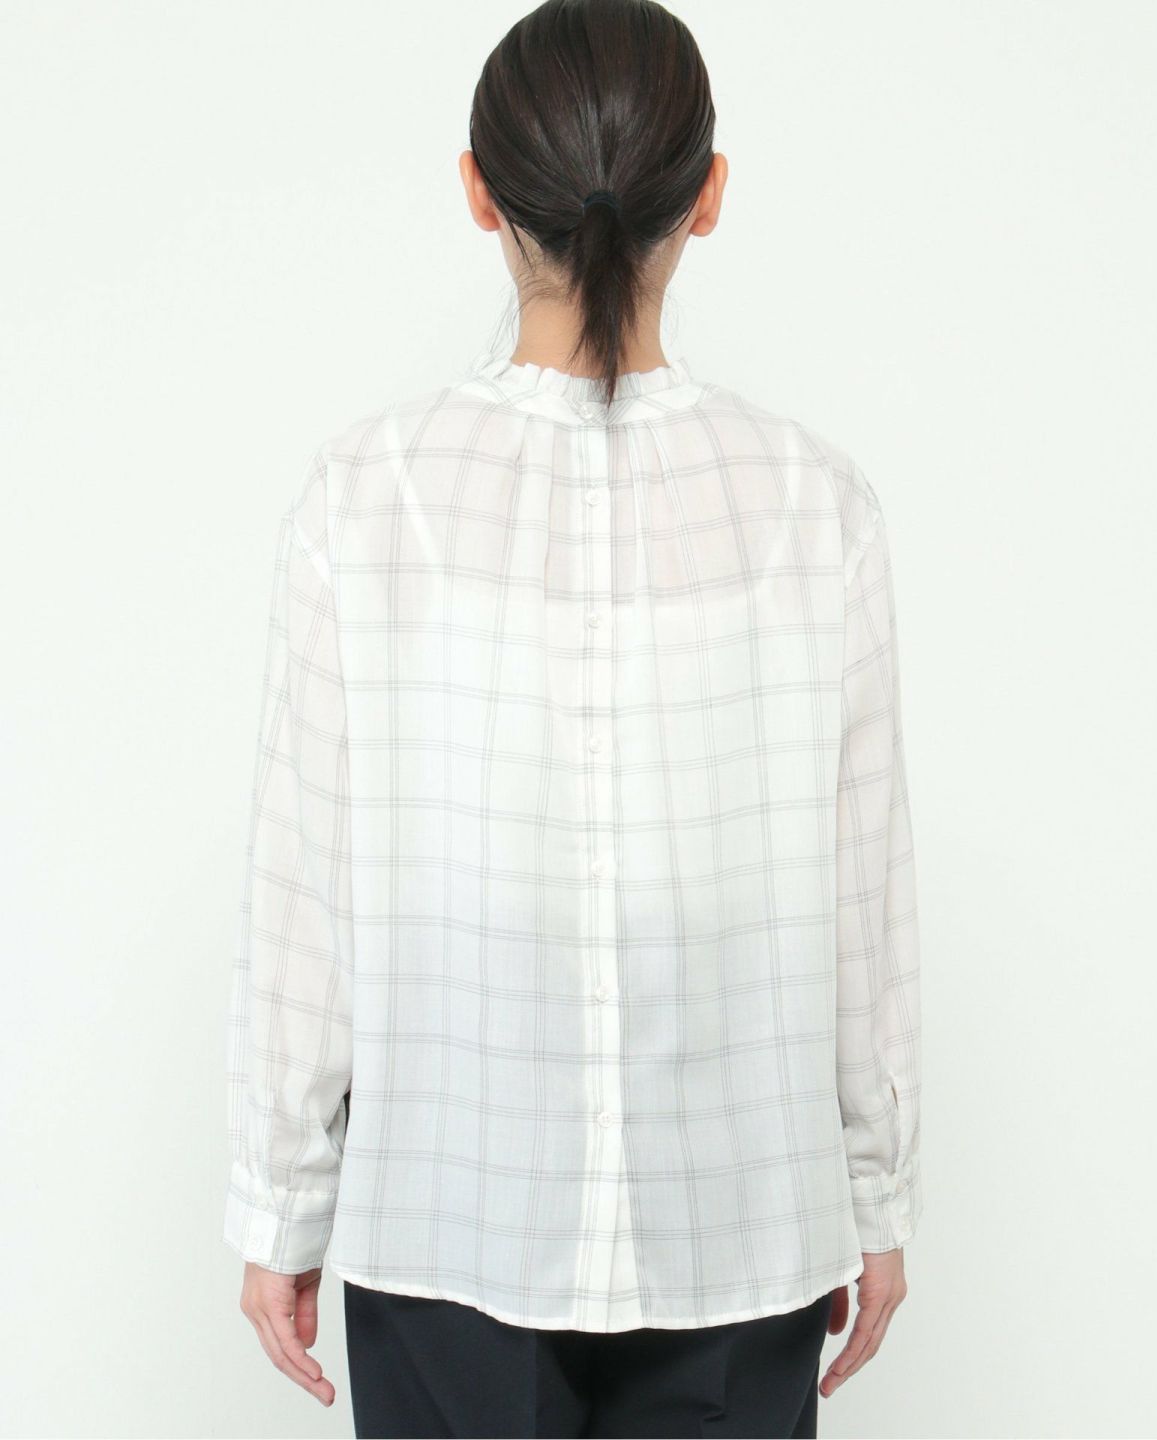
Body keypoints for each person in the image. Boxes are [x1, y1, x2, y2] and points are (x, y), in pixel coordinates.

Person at [222, 0, 923, 1435]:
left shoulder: (368, 495)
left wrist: (281, 1200)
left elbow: (307, 890)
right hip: (742, 1229)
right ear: (707, 195)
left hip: (447, 1227)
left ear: (480, 188)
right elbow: (863, 898)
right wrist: (878, 1192)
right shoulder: (815, 501)